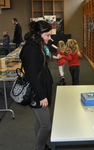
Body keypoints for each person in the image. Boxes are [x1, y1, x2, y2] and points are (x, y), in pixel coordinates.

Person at [20, 20, 53, 150]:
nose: (49, 38)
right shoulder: (30, 49)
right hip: (37, 92)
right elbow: (31, 76)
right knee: (46, 125)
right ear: (39, 34)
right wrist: (41, 96)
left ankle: (41, 145)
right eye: (47, 35)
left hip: (41, 88)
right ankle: (40, 147)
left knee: (40, 121)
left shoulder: (36, 44)